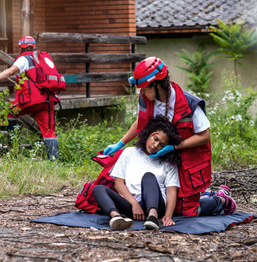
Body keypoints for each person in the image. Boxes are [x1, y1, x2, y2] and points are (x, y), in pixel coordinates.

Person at [103, 56, 236, 218]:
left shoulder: (189, 103)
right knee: (161, 204)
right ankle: (204, 195)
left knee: (185, 212)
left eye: (144, 88)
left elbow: (204, 136)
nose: (142, 92)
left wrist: (174, 147)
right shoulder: (146, 99)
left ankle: (221, 200)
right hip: (160, 161)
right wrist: (120, 143)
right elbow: (140, 121)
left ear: (156, 85)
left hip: (186, 160)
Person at [93, 116, 183, 231]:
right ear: (150, 134)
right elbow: (119, 184)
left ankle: (152, 217)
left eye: (162, 145)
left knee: (148, 176)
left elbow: (171, 191)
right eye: (155, 139)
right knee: (98, 189)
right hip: (131, 206)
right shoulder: (129, 152)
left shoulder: (167, 163)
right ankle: (117, 218)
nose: (155, 146)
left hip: (156, 205)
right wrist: (134, 204)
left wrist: (168, 216)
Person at [0, 36, 60, 161]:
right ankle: (55, 161)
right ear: (33, 46)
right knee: (49, 131)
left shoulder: (24, 59)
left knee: (9, 113)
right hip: (48, 100)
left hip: (32, 100)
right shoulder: (44, 59)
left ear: (21, 47)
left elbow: (10, 72)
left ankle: (14, 149)